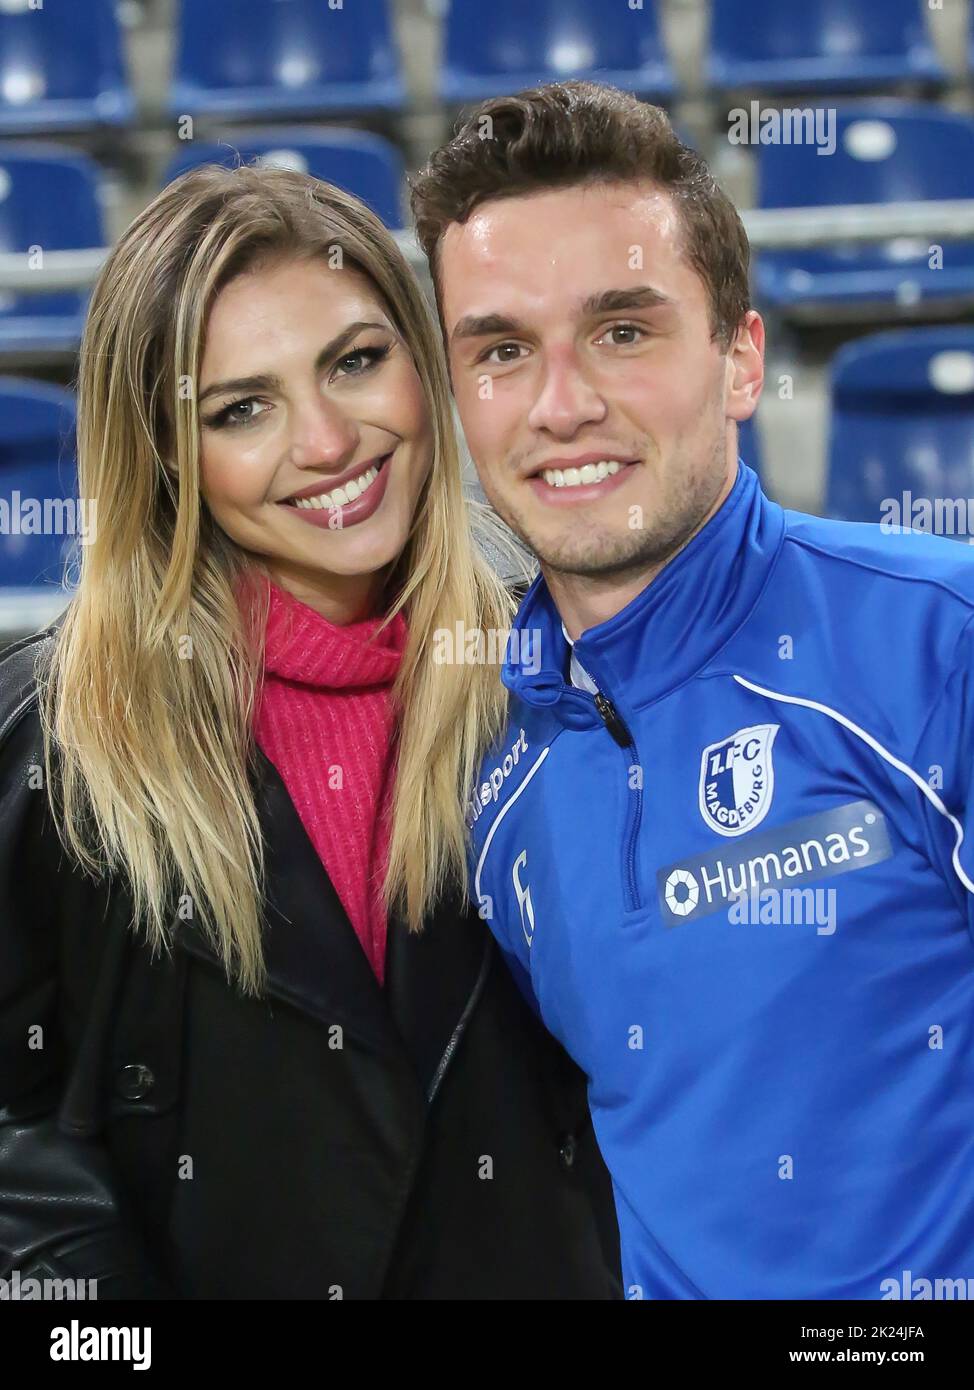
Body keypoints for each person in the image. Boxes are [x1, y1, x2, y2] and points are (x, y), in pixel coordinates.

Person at [0, 163, 621, 1300]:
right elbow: (17, 1153)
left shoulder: (571, 682)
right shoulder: (51, 746)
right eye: (242, 407)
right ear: (167, 455)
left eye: (355, 361)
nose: (329, 442)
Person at [411, 80, 974, 1300]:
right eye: (502, 350)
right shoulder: (469, 770)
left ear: (738, 360)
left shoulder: (939, 646)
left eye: (621, 330)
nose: (562, 406)